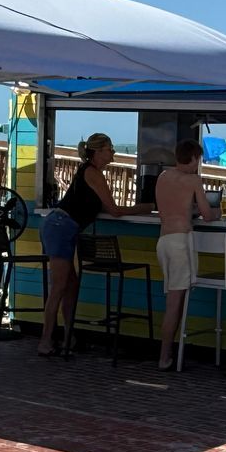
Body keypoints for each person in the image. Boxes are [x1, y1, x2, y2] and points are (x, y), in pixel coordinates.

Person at [37, 133, 146, 357]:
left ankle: (69, 337)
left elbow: (105, 207)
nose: (113, 153)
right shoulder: (92, 173)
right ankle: (46, 341)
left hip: (63, 227)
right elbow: (114, 210)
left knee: (71, 285)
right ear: (97, 152)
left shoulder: (90, 172)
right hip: (60, 227)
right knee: (59, 287)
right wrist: (147, 207)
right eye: (110, 149)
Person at [154, 140, 221, 370]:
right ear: (193, 158)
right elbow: (207, 215)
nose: (198, 164)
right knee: (175, 303)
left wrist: (188, 208)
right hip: (180, 242)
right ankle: (164, 357)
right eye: (199, 159)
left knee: (174, 299)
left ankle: (169, 352)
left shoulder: (163, 177)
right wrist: (219, 211)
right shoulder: (193, 180)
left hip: (163, 241)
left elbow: (171, 206)